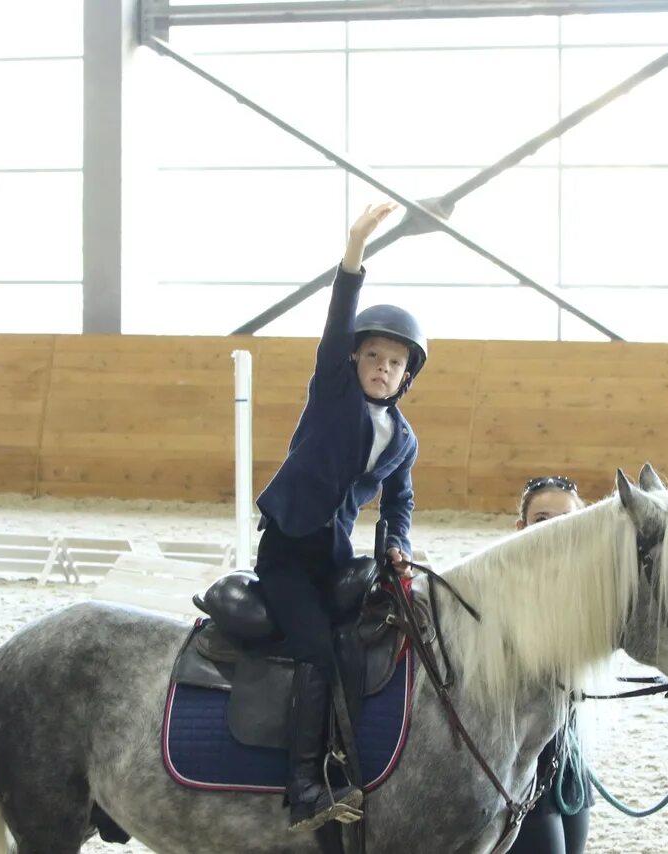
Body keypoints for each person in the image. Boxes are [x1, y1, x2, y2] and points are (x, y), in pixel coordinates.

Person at [253, 202, 426, 833]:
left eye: (395, 363)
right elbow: (337, 318)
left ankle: (354, 756)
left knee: (367, 647)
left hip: (334, 557)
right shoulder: (332, 391)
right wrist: (355, 243)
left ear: (407, 375)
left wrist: (396, 545)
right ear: (354, 360)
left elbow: (399, 503)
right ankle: (303, 787)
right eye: (374, 356)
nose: (383, 368)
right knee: (317, 653)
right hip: (288, 552)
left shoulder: (402, 438)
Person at [511, 475, 593, 854]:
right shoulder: (502, 584)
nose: (556, 530)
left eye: (567, 519)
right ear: (521, 527)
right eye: (542, 519)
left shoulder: (590, 590)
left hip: (567, 748)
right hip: (521, 755)